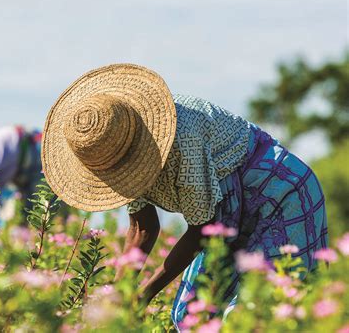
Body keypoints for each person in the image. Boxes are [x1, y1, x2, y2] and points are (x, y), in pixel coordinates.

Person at [40, 64, 328, 327]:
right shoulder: (115, 155)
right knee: (191, 317)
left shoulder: (181, 138)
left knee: (260, 311)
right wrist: (119, 292)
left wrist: (143, 295)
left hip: (280, 195)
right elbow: (143, 227)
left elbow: (203, 228)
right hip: (228, 213)